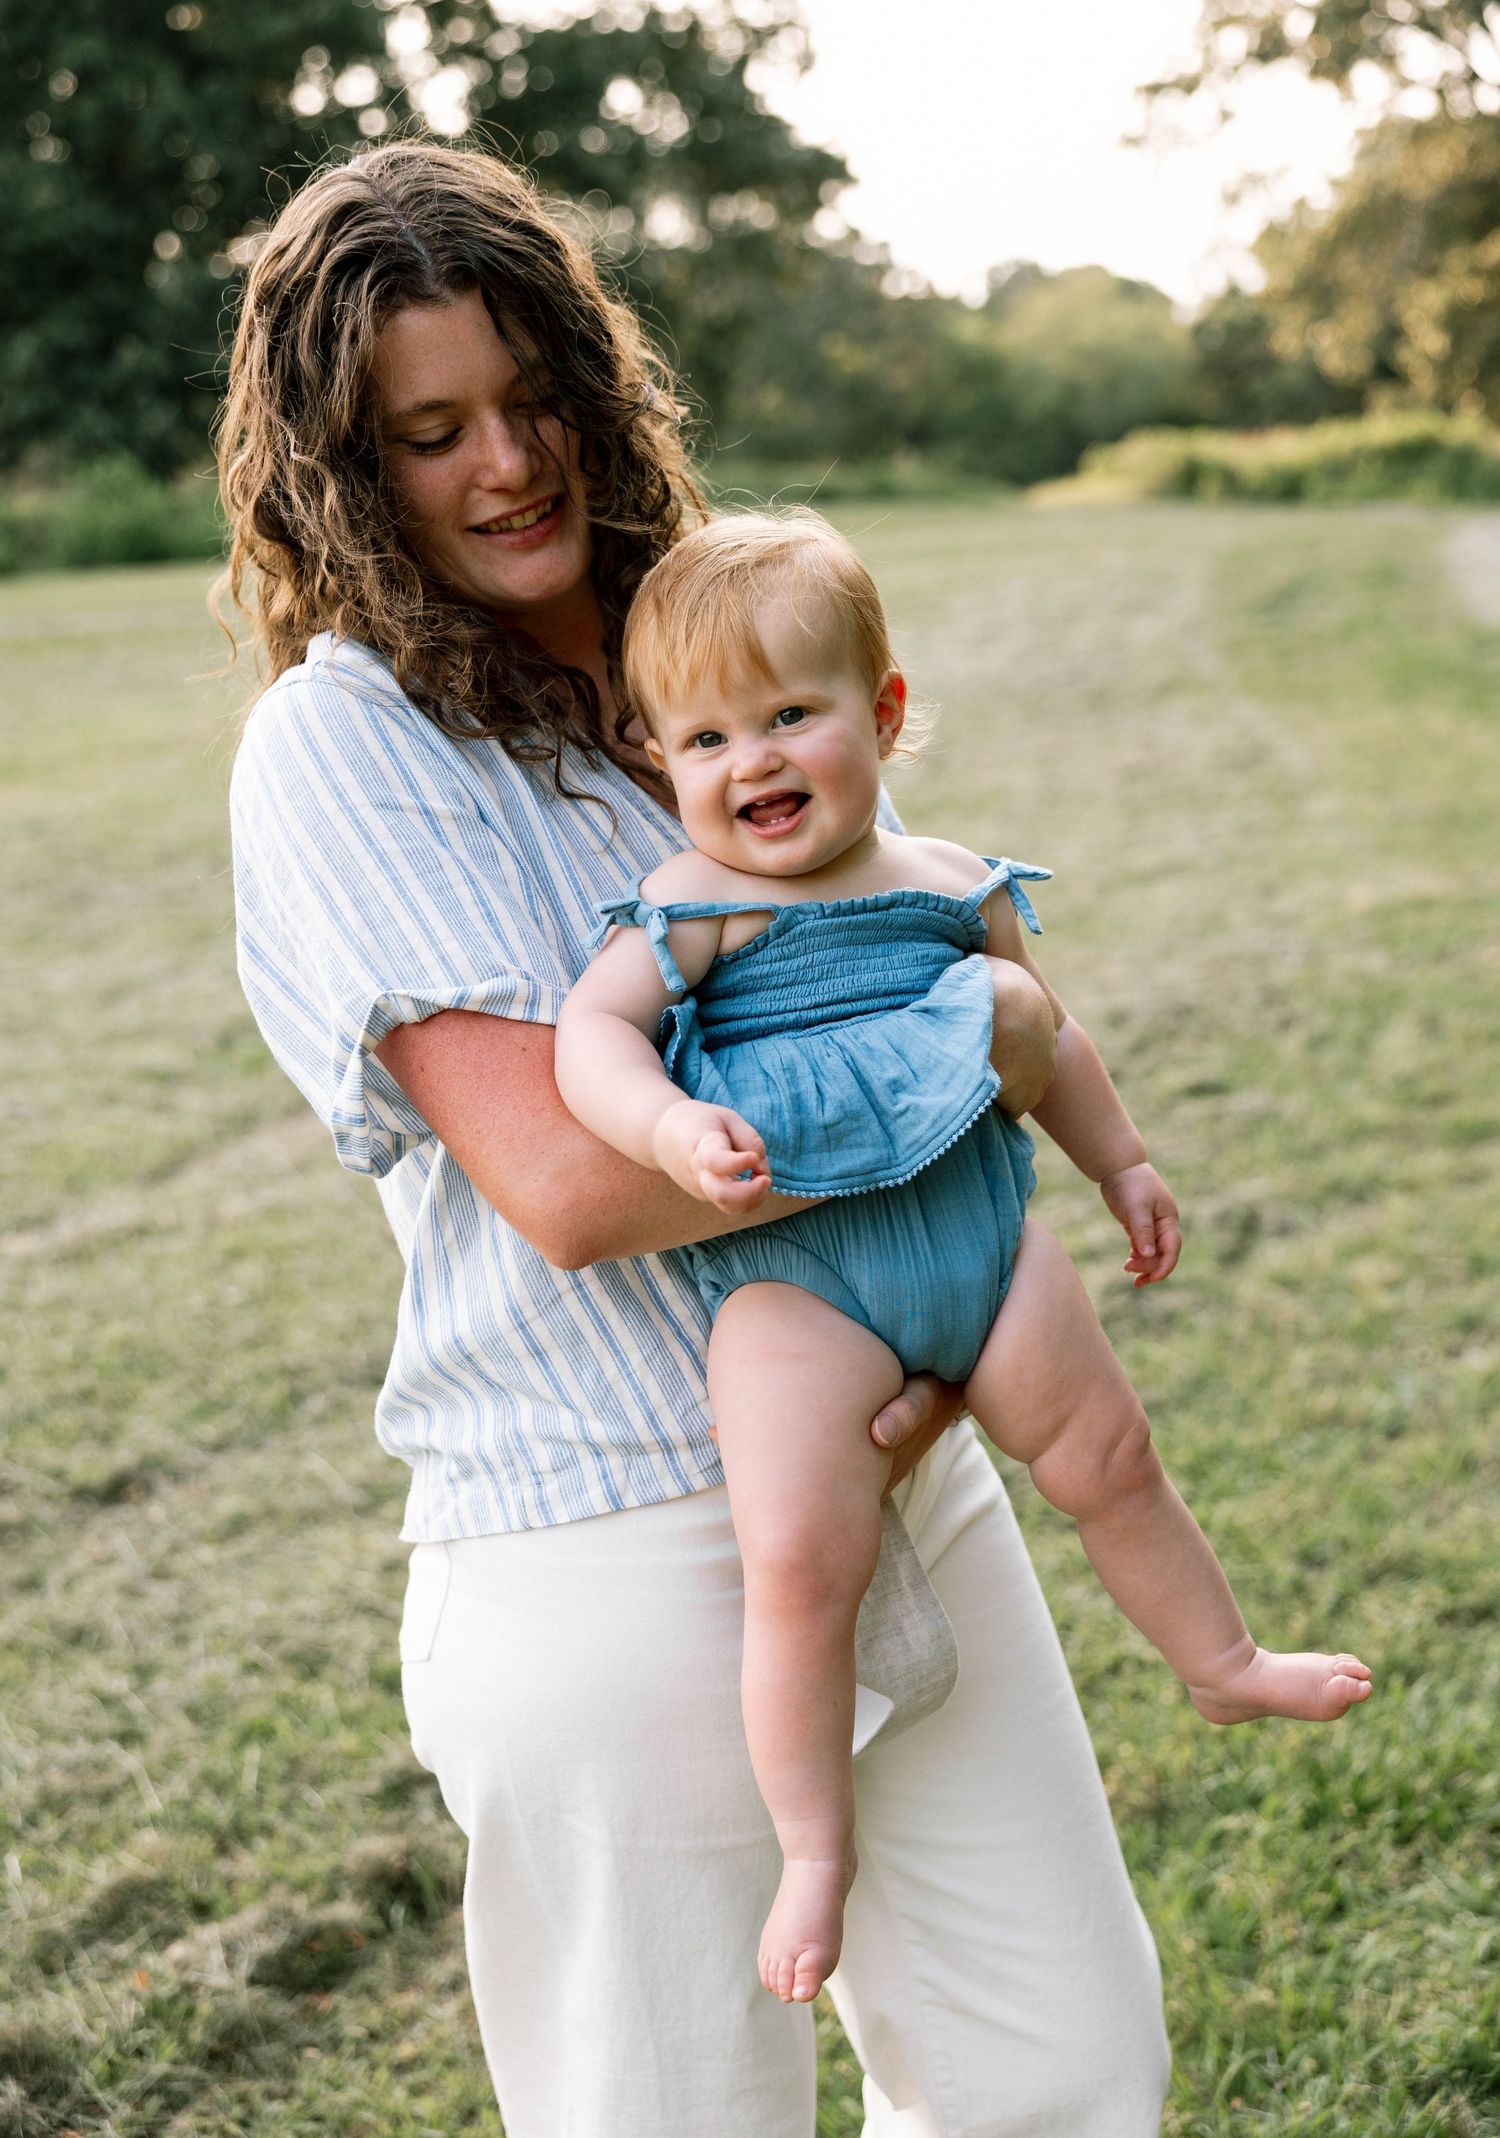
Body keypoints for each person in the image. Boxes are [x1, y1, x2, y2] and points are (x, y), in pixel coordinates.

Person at [222, 137, 1172, 2137]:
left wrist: (976, 1042)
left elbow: (896, 924)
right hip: (612, 1546)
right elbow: (574, 1181)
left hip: (903, 1471)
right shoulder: (346, 742)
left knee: (1065, 2077)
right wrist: (981, 1041)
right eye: (430, 431)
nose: (506, 465)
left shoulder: (697, 633)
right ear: (339, 465)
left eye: (532, 395)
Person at [554, 510, 1374, 2008]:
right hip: (802, 1282)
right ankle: (814, 1845)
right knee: (802, 1560)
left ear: (886, 710)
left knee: (1109, 1456)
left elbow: (1044, 1031)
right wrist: (668, 1128)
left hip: (980, 1238)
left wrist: (1117, 1161)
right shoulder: (696, 909)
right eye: (704, 737)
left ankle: (1221, 1657)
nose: (754, 763)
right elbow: (587, 1037)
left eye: (792, 713)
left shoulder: (947, 879)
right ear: (661, 759)